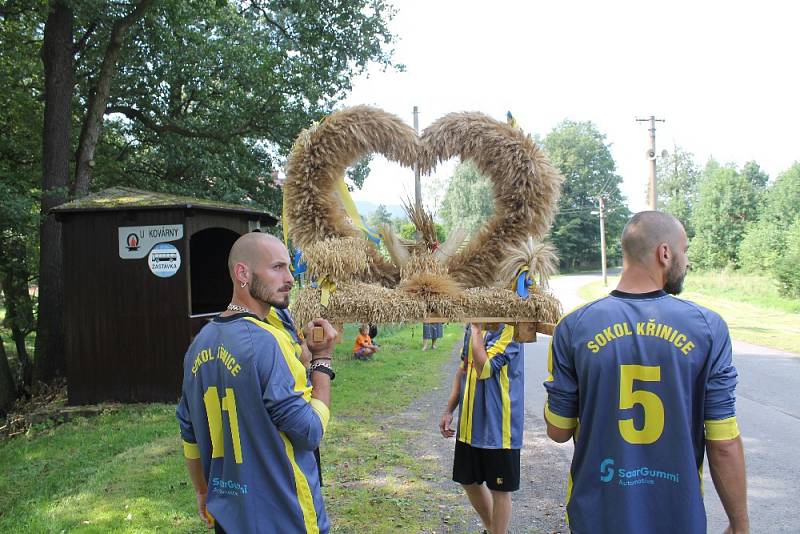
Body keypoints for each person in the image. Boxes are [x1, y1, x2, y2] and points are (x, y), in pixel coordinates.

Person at [543, 211, 749, 534]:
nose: (687, 261)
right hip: (678, 517)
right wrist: (739, 524)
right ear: (664, 253)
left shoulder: (573, 327)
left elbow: (557, 430)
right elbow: (723, 443)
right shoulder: (709, 329)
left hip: (597, 516)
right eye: (685, 250)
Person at [176, 232, 338, 534]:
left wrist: (202, 491)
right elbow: (310, 432)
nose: (289, 278)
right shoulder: (267, 342)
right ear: (242, 273)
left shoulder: (198, 345)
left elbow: (190, 435)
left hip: (228, 516)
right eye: (277, 268)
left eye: (289, 268)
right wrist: (323, 361)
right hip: (284, 517)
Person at [440, 322, 524, 534]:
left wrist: (476, 328)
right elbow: (463, 369)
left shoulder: (511, 329)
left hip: (499, 428)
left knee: (500, 490)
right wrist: (449, 410)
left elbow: (484, 368)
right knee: (467, 480)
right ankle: (493, 530)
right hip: (469, 426)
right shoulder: (472, 327)